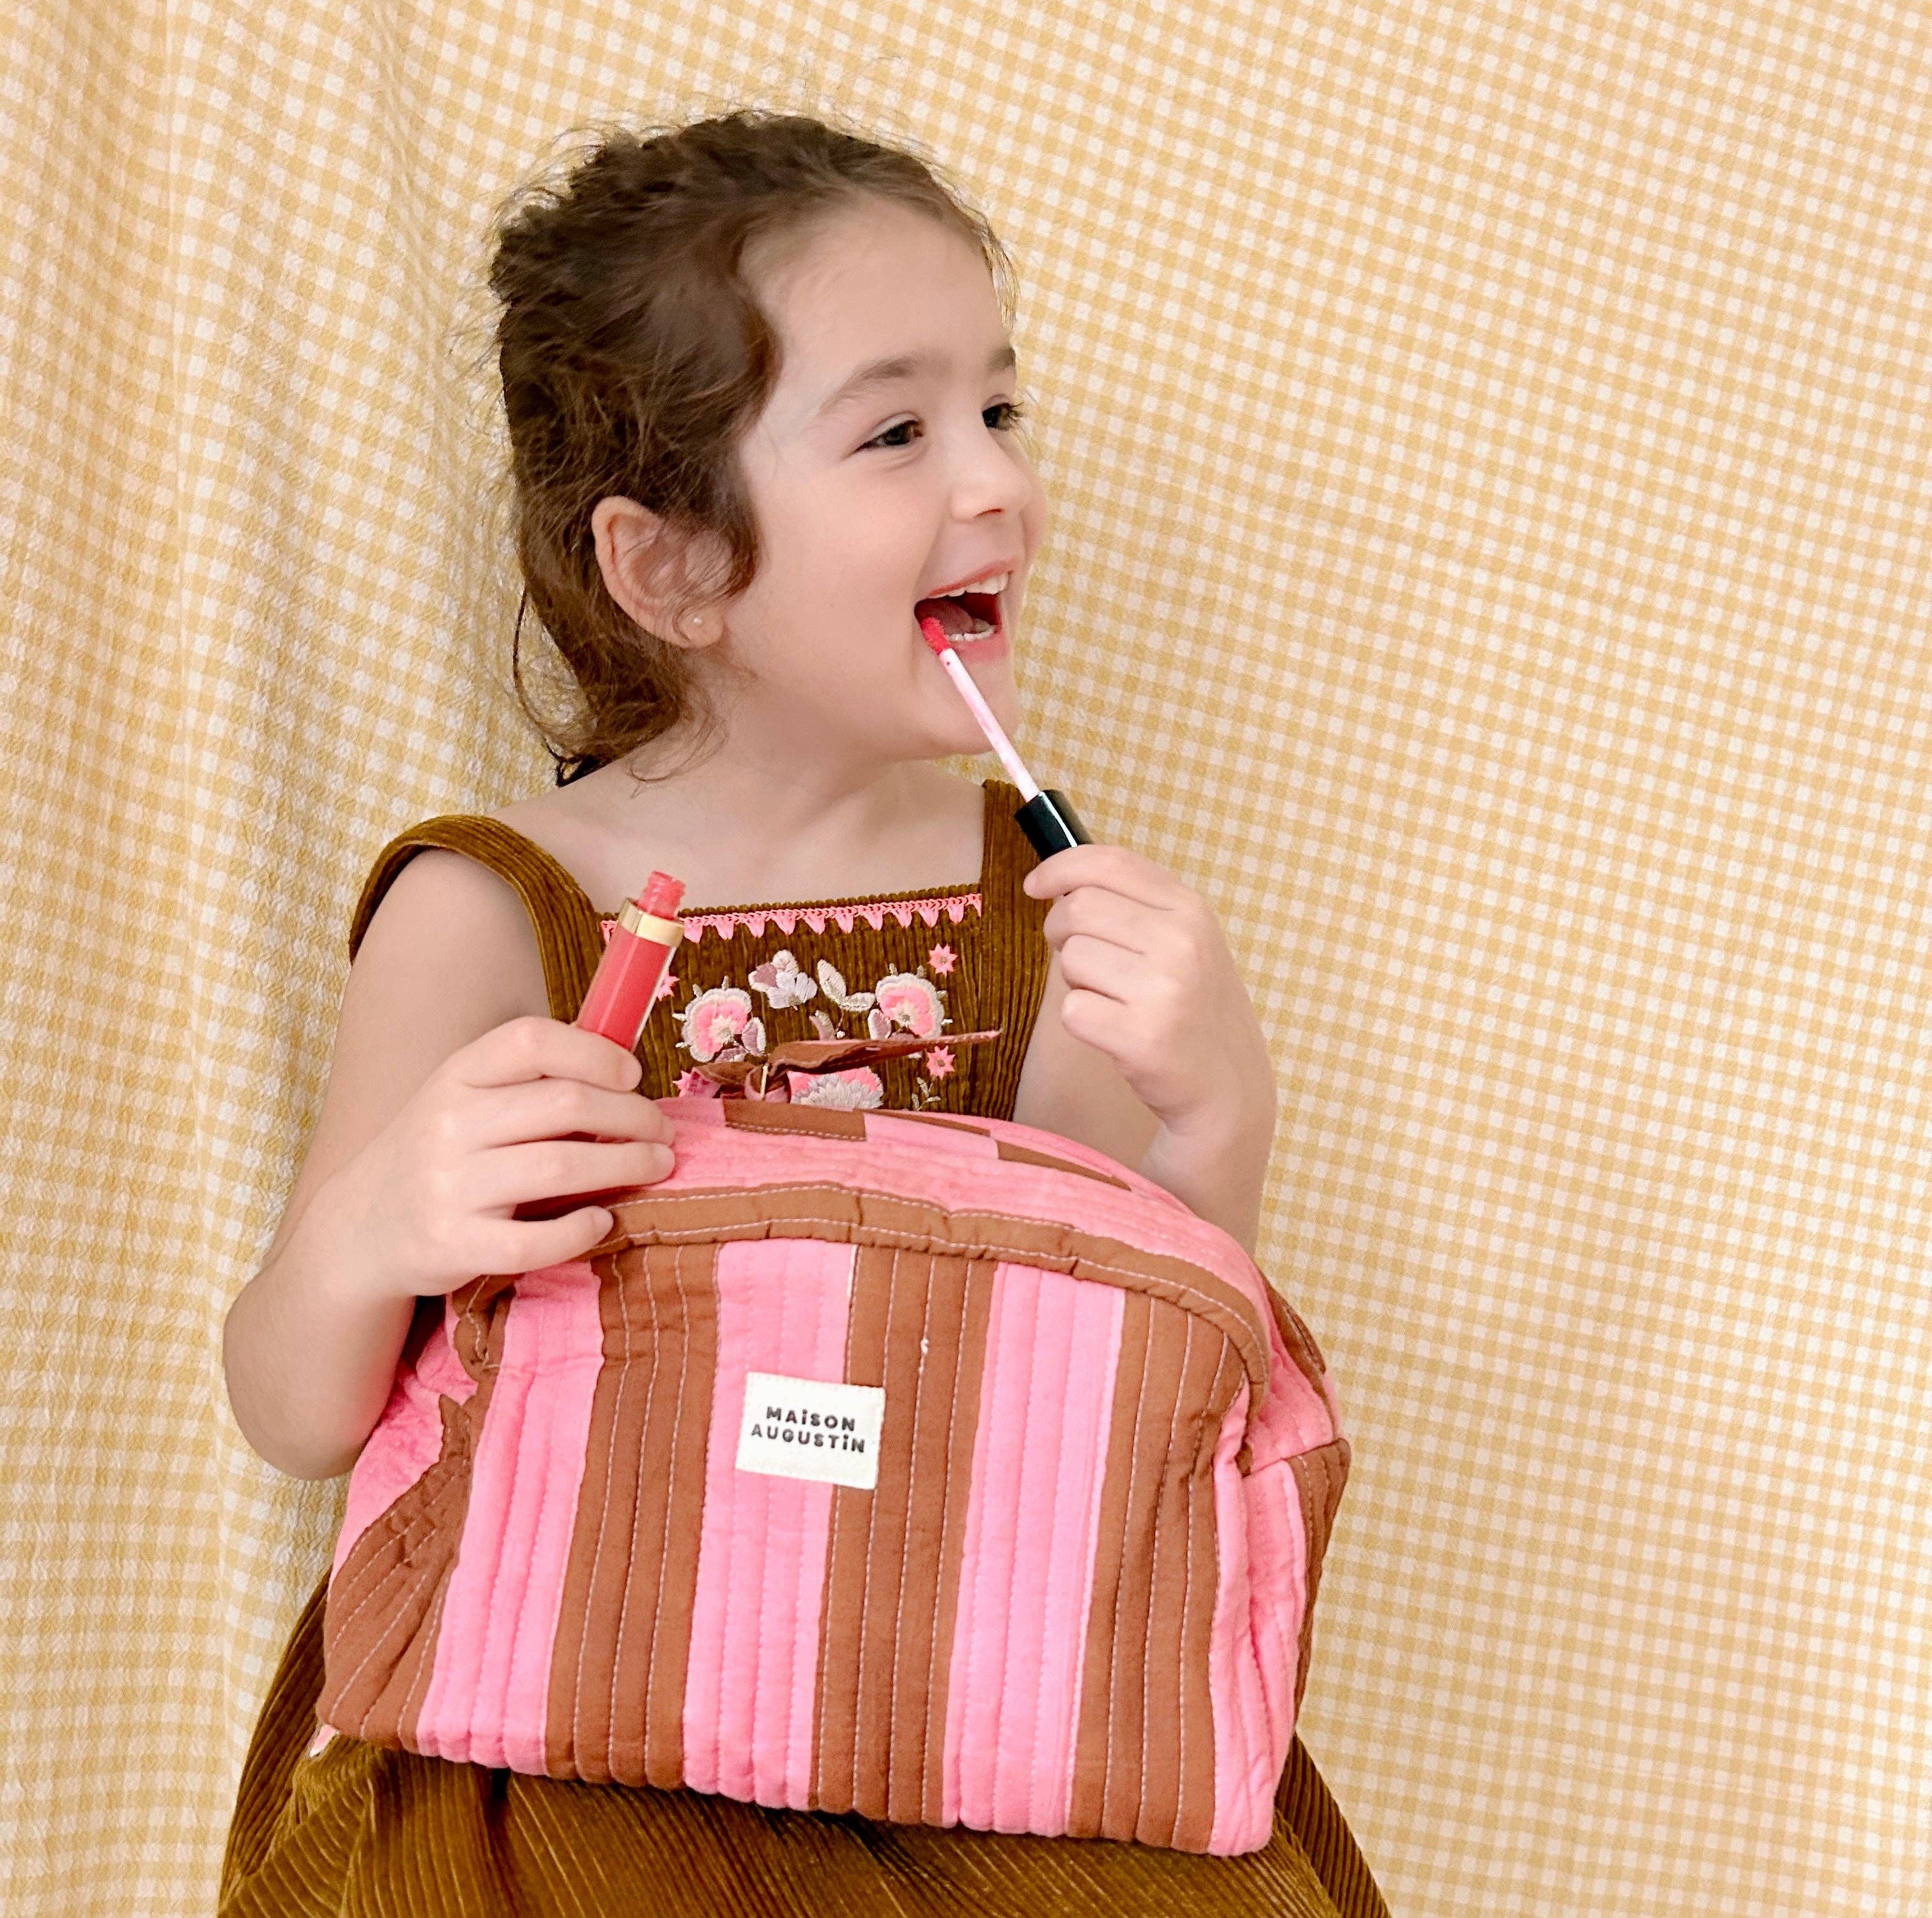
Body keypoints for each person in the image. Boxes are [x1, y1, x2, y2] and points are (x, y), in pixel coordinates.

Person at [218, 108, 1388, 1918]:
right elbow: (295, 1408)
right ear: (672, 566)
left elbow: (1115, 1391)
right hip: (560, 1746)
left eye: (1001, 410)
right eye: (897, 431)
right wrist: (383, 1224)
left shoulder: (1033, 909)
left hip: (991, 1727)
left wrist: (1220, 1116)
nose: (996, 485)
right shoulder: (490, 909)